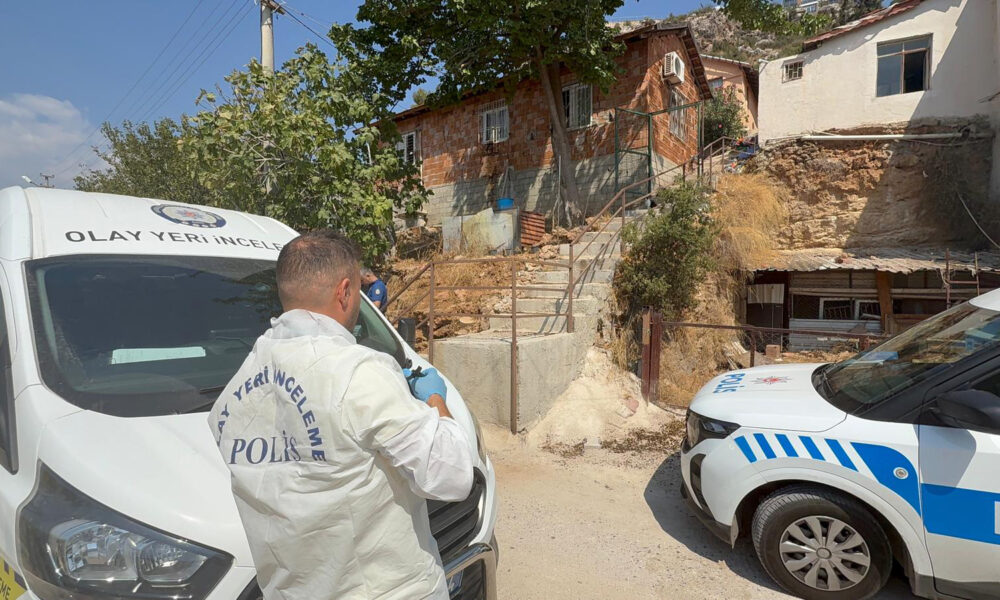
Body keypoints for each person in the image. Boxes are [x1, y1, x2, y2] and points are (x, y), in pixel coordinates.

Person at [208, 230, 473, 600]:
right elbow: (452, 476)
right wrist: (435, 402)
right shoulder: (358, 372)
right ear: (346, 292)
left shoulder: (234, 394)